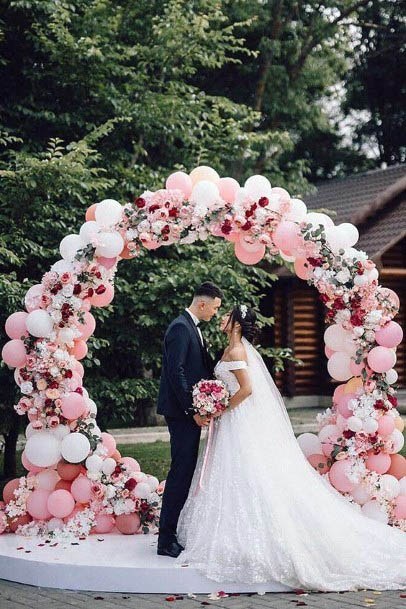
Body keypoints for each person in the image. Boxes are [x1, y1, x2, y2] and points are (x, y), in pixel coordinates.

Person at [173, 304, 406, 592]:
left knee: (245, 471)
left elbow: (246, 390)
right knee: (235, 473)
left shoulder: (236, 352)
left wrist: (221, 408)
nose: (222, 319)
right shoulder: (230, 349)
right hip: (231, 422)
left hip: (236, 419)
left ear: (235, 324)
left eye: (227, 316)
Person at [156, 281, 223, 557]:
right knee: (180, 473)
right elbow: (176, 373)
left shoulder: (191, 327)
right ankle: (165, 539)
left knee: (184, 471)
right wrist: (191, 410)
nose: (215, 314)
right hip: (181, 414)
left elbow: (200, 367)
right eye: (215, 308)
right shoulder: (181, 328)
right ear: (203, 303)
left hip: (188, 412)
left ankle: (170, 533)